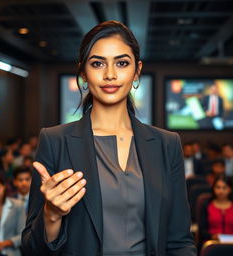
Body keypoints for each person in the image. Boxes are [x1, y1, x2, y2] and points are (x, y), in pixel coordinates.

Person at [21, 20, 196, 256]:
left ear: (137, 71)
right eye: (98, 63)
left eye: (122, 63)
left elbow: (179, 242)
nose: (110, 74)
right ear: (83, 72)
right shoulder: (55, 141)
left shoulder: (167, 144)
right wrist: (51, 214)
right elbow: (31, 250)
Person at [198, 175, 233, 245]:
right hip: (212, 244)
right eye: (218, 187)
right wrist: (213, 236)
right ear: (213, 188)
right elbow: (202, 231)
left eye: (224, 188)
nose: (221, 191)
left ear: (230, 189)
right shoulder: (206, 205)